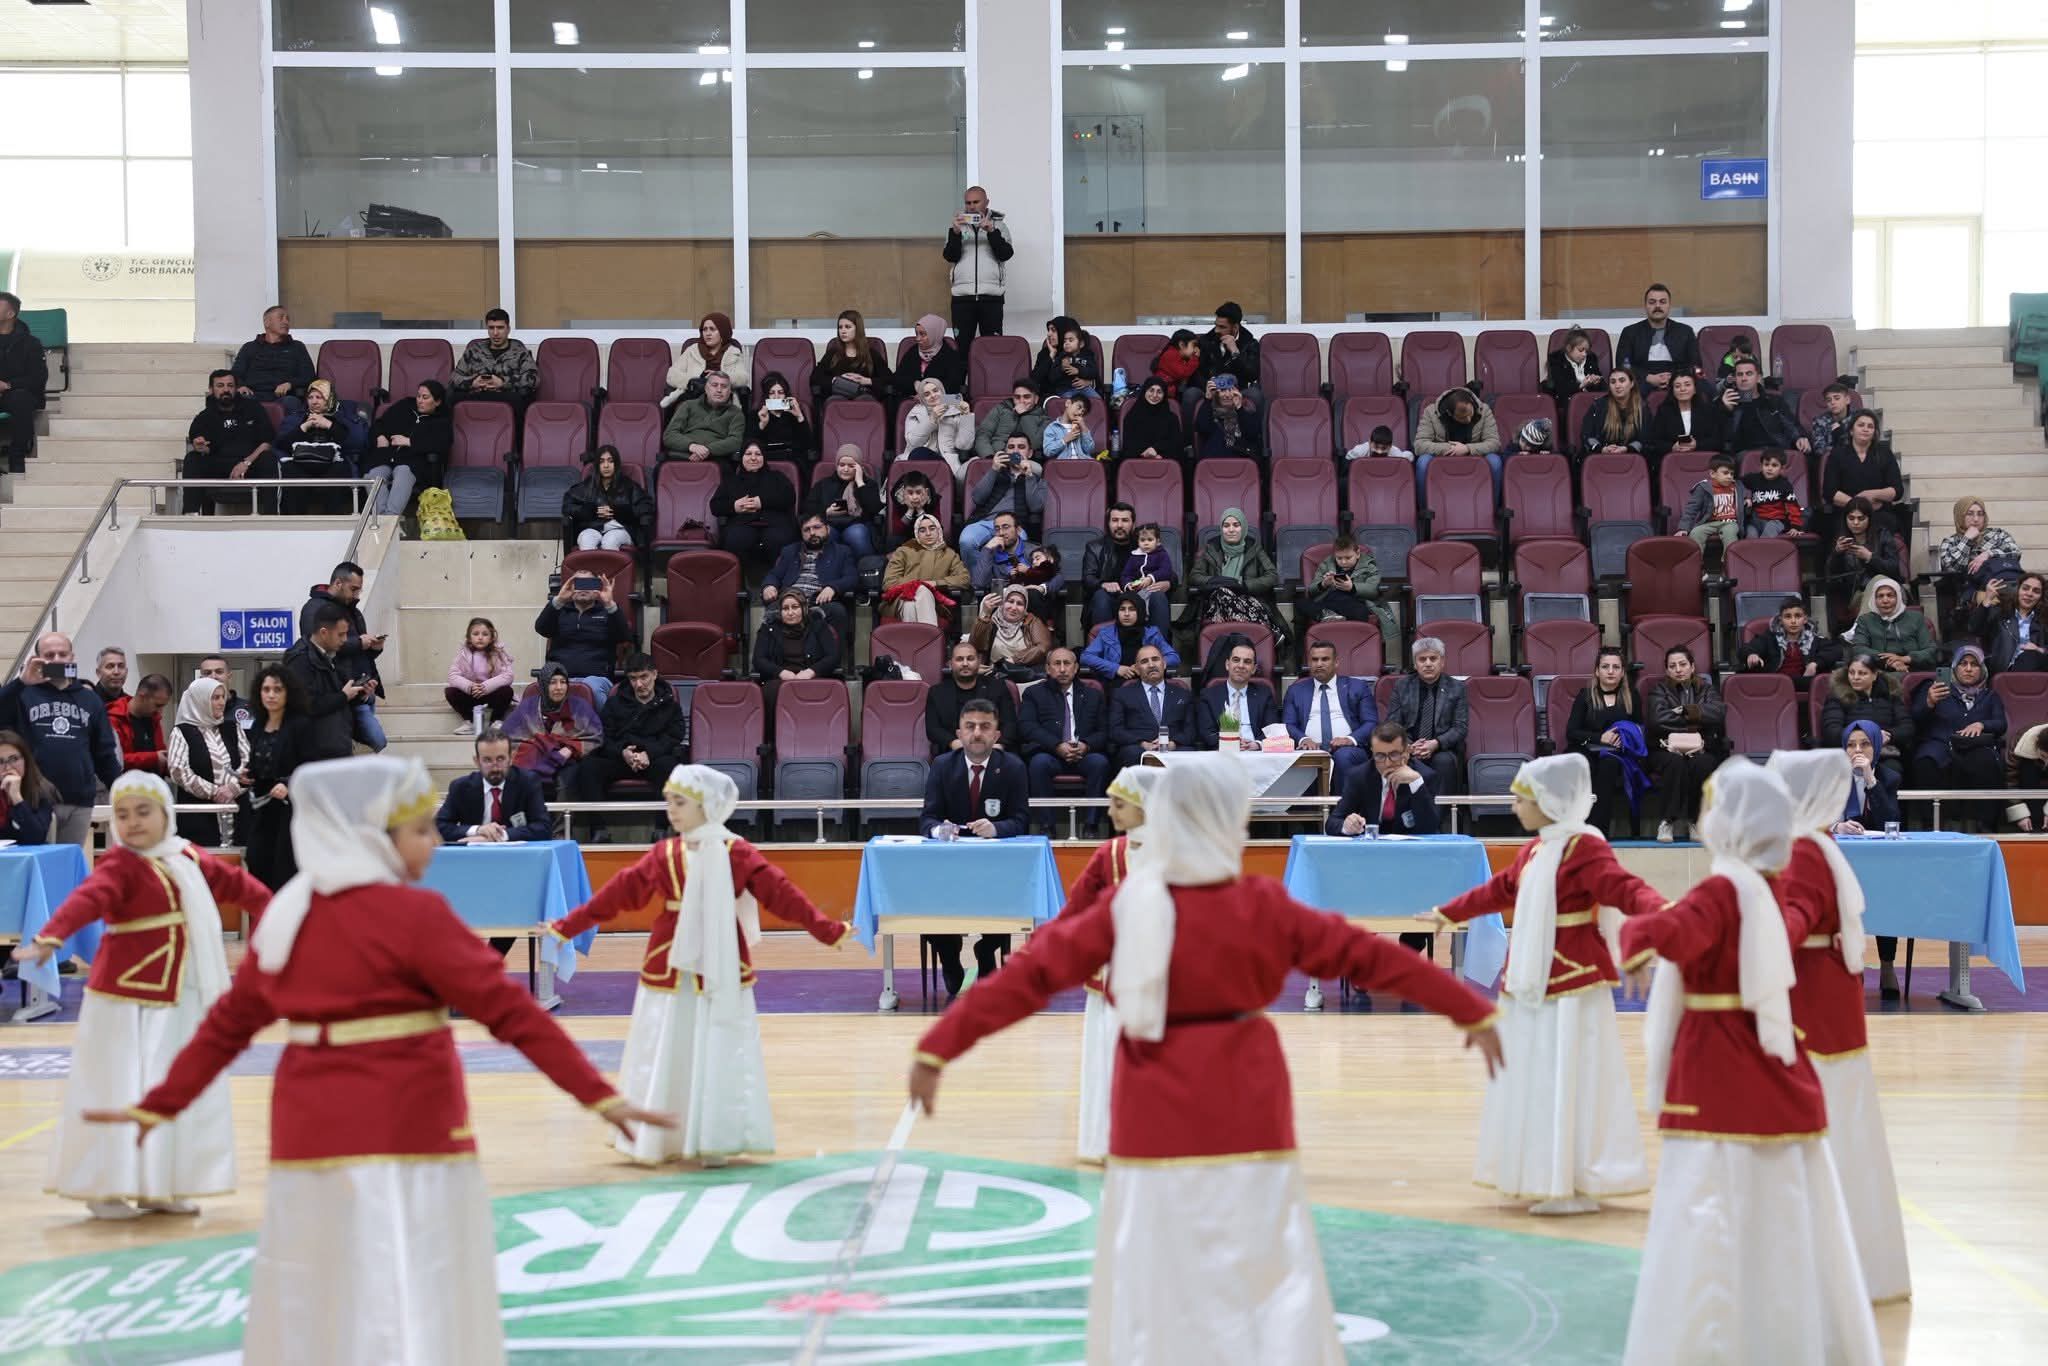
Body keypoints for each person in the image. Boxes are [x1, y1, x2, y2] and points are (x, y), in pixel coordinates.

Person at [908, 757, 1503, 1363]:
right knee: (1263, 1265)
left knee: (1157, 1266)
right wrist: (1470, 1010)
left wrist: (940, 1046)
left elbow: (1028, 978)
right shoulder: (1262, 904)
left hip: (1151, 1109)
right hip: (1249, 1106)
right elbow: (1374, 959)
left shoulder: (1125, 906)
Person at [82, 756, 668, 1363]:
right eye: (422, 829)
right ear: (370, 837)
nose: (436, 840)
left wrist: (159, 1107)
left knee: (319, 1285)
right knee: (420, 1281)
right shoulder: (418, 916)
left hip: (309, 1137)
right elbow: (515, 1017)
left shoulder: (287, 918)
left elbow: (223, 1031)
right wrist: (599, 1096)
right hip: (417, 1133)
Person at [1617, 760, 1883, 1366]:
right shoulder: (1768, 880)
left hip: (1718, 1062)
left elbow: (1679, 935)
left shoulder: (1724, 886)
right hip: (1773, 1058)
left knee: (1710, 1206)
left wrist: (1631, 941)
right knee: (1782, 1207)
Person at [561, 761, 852, 1162]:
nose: (672, 810)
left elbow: (782, 895)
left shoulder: (737, 852)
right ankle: (661, 1137)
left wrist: (826, 929)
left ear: (707, 805)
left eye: (680, 802)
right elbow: (615, 896)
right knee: (666, 1048)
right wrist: (567, 926)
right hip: (671, 967)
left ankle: (714, 1134)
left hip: (721, 964)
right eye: (668, 802)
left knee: (717, 1043)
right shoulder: (664, 854)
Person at [14, 771, 271, 1219]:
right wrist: (51, 937)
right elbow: (88, 899)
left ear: (165, 814)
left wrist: (286, 912)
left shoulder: (187, 855)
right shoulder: (119, 866)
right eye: (123, 815)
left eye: (143, 812)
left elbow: (240, 889)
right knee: (118, 1086)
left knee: (166, 1087)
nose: (132, 823)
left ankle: (161, 1185)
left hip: (178, 997)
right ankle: (106, 1188)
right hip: (123, 1001)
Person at [1430, 753, 1665, 1215]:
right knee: (1537, 1076)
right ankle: (1542, 1173)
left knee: (1568, 1075)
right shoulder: (1538, 848)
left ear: (1551, 800)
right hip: (1529, 979)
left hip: (1572, 982)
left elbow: (1625, 888)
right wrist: (1448, 912)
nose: (1515, 806)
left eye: (1523, 798)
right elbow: (1500, 890)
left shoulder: (1585, 847)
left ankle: (1571, 1181)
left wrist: (1664, 917)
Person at [1767, 750, 1913, 1307]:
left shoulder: (1804, 849)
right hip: (1830, 1006)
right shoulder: (1817, 844)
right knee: (1845, 1131)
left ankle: (1823, 1262)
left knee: (1824, 1128)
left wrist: (1731, 940)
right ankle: (1851, 1256)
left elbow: (1791, 924)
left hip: (1814, 1012)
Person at [1057, 764, 1158, 1161]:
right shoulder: (1109, 855)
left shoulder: (1181, 856)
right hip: (1112, 982)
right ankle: (1108, 1141)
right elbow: (1074, 913)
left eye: (1119, 804)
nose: (1111, 813)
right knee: (1107, 1062)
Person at [919, 699, 1031, 996]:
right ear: (959, 732)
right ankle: (949, 954)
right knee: (922, 897)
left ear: (997, 734)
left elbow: (1021, 820)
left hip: (994, 867)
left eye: (985, 727)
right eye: (970, 727)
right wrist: (938, 830)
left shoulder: (1013, 768)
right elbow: (927, 818)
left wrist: (997, 829)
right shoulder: (942, 766)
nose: (977, 733)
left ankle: (987, 950)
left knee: (1011, 896)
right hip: (947, 866)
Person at [0, 632, 123, 848]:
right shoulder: (22, 694)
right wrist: (20, 682)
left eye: (62, 654)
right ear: (37, 658)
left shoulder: (89, 699)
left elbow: (104, 752)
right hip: (36, 798)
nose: (56, 660)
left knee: (68, 864)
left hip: (79, 799)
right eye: (49, 655)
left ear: (72, 658)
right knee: (41, 862)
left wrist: (121, 789)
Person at [570, 655, 686, 806]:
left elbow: (673, 736)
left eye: (644, 677)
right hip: (621, 757)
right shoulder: (614, 703)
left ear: (655, 674)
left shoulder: (670, 705)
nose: (639, 684)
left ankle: (662, 827)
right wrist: (622, 752)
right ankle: (598, 827)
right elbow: (604, 736)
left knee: (672, 769)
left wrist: (648, 753)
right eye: (633, 679)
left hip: (655, 758)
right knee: (589, 768)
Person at [1909, 645, 2006, 823]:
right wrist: (1929, 702)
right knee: (1926, 761)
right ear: (1954, 667)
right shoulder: (1935, 688)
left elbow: (2001, 724)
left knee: (1986, 763)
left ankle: (1985, 826)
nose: (1968, 669)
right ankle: (1930, 825)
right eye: (1963, 664)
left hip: (1974, 745)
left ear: (1982, 669)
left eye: (1974, 664)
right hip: (1939, 743)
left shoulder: (1990, 696)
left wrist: (1982, 724)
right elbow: (1915, 717)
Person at [299, 560, 387, 753]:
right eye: (353, 588)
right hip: (342, 692)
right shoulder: (315, 608)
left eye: (359, 590)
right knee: (377, 741)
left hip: (362, 689)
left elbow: (357, 652)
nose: (356, 595)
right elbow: (316, 645)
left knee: (373, 743)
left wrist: (374, 647)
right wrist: (358, 643)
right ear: (338, 583)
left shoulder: (352, 611)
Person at [1019, 646, 1110, 829]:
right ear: (1047, 668)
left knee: (1100, 763)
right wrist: (1057, 745)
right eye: (1057, 664)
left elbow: (1105, 731)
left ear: (1076, 668)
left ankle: (1091, 825)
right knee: (1038, 764)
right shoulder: (1034, 694)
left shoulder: (1093, 695)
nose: (1062, 669)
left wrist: (1086, 745)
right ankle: (1047, 826)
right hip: (1050, 753)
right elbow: (1027, 727)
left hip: (1084, 753)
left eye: (1067, 663)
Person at [1565, 646, 1649, 838]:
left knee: (1609, 764)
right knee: (1584, 764)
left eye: (1616, 667)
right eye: (1605, 667)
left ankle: (1598, 831)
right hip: (1586, 747)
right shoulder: (1585, 696)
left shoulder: (1632, 697)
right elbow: (1571, 732)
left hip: (1617, 752)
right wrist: (1599, 737)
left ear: (1622, 672)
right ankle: (1578, 829)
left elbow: (1639, 729)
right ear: (1597, 671)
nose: (1610, 671)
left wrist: (1626, 740)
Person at [1646, 645, 1726, 841]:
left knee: (1703, 763)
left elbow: (1717, 714)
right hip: (1664, 747)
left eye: (1682, 664)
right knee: (1675, 762)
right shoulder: (1659, 690)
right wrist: (1696, 719)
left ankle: (1695, 821)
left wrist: (1682, 711)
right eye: (1672, 666)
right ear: (1667, 670)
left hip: (1702, 747)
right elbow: (1657, 720)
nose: (1678, 669)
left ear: (1692, 666)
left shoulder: (1706, 689)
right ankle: (1667, 822)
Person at [239, 664, 304, 891]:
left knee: (284, 870)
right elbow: (259, 764)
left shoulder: (300, 725)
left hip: (290, 808)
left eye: (277, 689)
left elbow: (311, 764)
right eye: (266, 689)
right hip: (262, 807)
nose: (271, 695)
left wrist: (288, 783)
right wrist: (246, 775)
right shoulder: (258, 724)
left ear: (288, 693)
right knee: (257, 863)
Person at [182, 368, 279, 515]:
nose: (226, 390)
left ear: (236, 388)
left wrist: (246, 463)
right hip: (219, 466)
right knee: (192, 458)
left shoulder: (253, 408)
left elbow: (267, 442)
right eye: (220, 386)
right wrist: (200, 447)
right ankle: (191, 515)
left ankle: (271, 516)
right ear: (211, 389)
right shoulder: (204, 417)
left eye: (230, 385)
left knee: (269, 459)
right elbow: (202, 446)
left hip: (250, 464)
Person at [166, 677, 247, 847]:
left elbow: (248, 761)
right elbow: (178, 770)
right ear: (199, 700)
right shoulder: (182, 732)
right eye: (214, 698)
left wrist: (233, 788)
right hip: (199, 816)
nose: (220, 703)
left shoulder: (232, 728)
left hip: (237, 812)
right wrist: (215, 792)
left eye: (222, 697)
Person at [436, 726, 552, 846]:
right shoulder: (460, 787)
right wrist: (477, 830)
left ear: (511, 758)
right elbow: (440, 827)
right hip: (473, 857)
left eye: (500, 759)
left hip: (516, 857)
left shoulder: (528, 782)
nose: (495, 767)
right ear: (477, 761)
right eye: (487, 760)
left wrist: (499, 836)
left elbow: (543, 827)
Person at [1284, 639, 1377, 787]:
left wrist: (1349, 739)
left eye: (1325, 659)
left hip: (1350, 749)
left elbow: (1371, 722)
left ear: (1336, 662)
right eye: (1315, 660)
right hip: (1309, 749)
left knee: (1343, 756)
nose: (1319, 664)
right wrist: (1303, 739)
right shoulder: (1296, 690)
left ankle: (1344, 809)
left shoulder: (1357, 687)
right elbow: (1289, 724)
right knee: (1301, 758)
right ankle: (1307, 809)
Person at [282, 605, 365, 763]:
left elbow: (335, 697)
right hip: (315, 755)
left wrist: (359, 694)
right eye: (341, 634)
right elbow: (307, 704)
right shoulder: (300, 660)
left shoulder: (329, 656)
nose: (345, 640)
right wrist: (343, 696)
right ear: (324, 633)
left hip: (336, 747)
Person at [1327, 720, 1437, 837]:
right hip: (1372, 849)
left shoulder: (1424, 776)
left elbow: (1431, 828)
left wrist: (1416, 783)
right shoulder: (1359, 776)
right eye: (1380, 755)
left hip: (1410, 850)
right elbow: (1332, 823)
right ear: (1372, 753)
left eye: (1394, 754)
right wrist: (1346, 826)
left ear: (1407, 752)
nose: (1387, 763)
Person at [1188, 509, 1285, 643]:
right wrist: (1218, 581)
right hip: (1217, 603)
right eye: (1226, 526)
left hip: (1248, 599)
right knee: (1221, 592)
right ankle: (1267, 632)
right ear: (1221, 529)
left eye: (1236, 525)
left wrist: (1244, 585)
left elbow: (1272, 575)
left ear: (1243, 527)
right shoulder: (1211, 548)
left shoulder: (1254, 548)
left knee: (1242, 599)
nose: (1231, 530)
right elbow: (1194, 576)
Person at [1388, 636, 1469, 794]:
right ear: (1415, 664)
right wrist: (1409, 746)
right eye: (1422, 659)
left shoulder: (1457, 688)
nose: (1428, 664)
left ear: (1442, 662)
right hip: (1410, 746)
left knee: (1443, 762)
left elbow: (1460, 727)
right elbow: (1393, 723)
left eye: (1433, 658)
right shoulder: (1402, 686)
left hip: (1442, 748)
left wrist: (1435, 743)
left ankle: (1439, 816)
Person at [763, 512, 858, 647]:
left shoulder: (842, 552)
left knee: (837, 611)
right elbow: (774, 575)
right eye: (807, 530)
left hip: (819, 603)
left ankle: (829, 662)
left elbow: (852, 578)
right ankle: (772, 664)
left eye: (817, 527)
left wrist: (833, 587)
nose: (812, 533)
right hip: (791, 600)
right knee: (773, 610)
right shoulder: (790, 551)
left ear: (827, 528)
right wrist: (769, 585)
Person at [275, 379, 370, 512]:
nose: (314, 401)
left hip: (333, 463)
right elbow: (281, 444)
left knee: (336, 473)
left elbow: (357, 443)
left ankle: (332, 525)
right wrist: (304, 427)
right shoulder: (297, 417)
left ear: (329, 398)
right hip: (301, 461)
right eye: (310, 397)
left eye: (319, 397)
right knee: (291, 471)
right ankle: (295, 525)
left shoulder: (342, 417)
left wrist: (328, 425)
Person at [504, 663, 602, 791]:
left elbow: (595, 737)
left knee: (569, 779)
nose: (559, 687)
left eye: (563, 682)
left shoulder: (579, 707)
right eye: (553, 682)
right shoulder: (528, 707)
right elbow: (507, 737)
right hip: (533, 758)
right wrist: (539, 746)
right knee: (517, 776)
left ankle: (564, 811)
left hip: (570, 760)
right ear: (543, 685)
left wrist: (572, 748)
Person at [536, 571, 630, 702]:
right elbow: (541, 629)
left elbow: (623, 636)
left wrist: (609, 604)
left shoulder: (608, 612)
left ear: (597, 588)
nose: (584, 589)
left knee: (590, 687)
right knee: (542, 689)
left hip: (596, 677)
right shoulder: (559, 611)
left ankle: (601, 723)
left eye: (589, 584)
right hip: (560, 676)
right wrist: (559, 600)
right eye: (579, 584)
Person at [1820, 652, 1913, 782]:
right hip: (1851, 754)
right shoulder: (1837, 696)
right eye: (1852, 673)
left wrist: (1889, 735)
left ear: (1874, 675)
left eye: (1862, 673)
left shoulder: (1890, 695)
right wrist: (1863, 738)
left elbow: (1907, 727)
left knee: (1892, 771)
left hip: (1884, 754)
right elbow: (1831, 731)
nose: (1855, 677)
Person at [366, 379, 453, 516]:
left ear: (437, 402)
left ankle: (389, 520)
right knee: (373, 476)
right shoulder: (405, 405)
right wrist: (380, 436)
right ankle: (386, 522)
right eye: (418, 396)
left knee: (402, 474)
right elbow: (379, 423)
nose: (420, 400)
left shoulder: (441, 419)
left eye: (425, 397)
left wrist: (410, 441)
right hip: (385, 456)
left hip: (412, 461)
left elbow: (442, 444)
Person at [751, 591, 842, 715]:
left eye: (795, 607)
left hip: (812, 677)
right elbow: (759, 659)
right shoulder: (768, 628)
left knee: (822, 690)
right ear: (779, 612)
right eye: (785, 608)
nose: (790, 612)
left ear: (803, 608)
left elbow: (833, 656)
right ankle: (772, 734)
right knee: (770, 692)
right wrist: (781, 673)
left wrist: (810, 672)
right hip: (779, 679)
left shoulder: (818, 625)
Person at [945, 185, 1014, 348]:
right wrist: (955, 233)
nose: (972, 206)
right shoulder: (958, 225)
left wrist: (991, 230)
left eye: (976, 202)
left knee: (992, 347)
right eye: (968, 203)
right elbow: (950, 256)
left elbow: (1006, 254)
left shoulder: (999, 225)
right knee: (961, 348)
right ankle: (962, 375)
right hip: (962, 297)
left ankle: (992, 375)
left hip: (991, 297)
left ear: (986, 202)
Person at [1824, 497, 1907, 630]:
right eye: (1851, 518)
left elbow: (1894, 569)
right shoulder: (1841, 540)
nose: (1855, 523)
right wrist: (1837, 554)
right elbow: (1831, 576)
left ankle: (1857, 630)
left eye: (1861, 518)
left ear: (1869, 519)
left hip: (1889, 591)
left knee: (1878, 580)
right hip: (1858, 595)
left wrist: (1870, 557)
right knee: (1874, 587)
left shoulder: (1882, 535)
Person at [962, 433, 1046, 563]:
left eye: (1021, 447)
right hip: (987, 522)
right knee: (966, 540)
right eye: (1011, 447)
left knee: (1021, 544)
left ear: (1029, 453)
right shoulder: (996, 473)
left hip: (1014, 526)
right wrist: (994, 469)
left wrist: (1028, 475)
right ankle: (977, 578)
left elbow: (1036, 507)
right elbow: (977, 498)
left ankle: (1008, 579)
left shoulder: (1036, 480)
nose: (1016, 451)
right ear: (1006, 452)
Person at [713, 440, 799, 567]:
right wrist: (734, 507)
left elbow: (789, 497)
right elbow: (715, 506)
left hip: (775, 524)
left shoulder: (777, 477)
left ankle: (778, 581)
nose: (753, 458)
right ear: (741, 458)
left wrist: (762, 502)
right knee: (735, 539)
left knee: (779, 539)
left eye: (758, 454)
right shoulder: (731, 481)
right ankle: (740, 583)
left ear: (764, 458)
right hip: (742, 524)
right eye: (748, 454)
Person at [925, 638, 1019, 752]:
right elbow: (932, 729)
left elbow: (1010, 723)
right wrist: (953, 743)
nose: (965, 664)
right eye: (959, 659)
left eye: (970, 659)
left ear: (978, 661)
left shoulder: (998, 687)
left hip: (994, 750)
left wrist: (1000, 745)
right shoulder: (937, 692)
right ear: (950, 664)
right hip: (953, 751)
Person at [1109, 643, 1193, 767]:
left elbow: (1191, 730)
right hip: (1138, 749)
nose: (1151, 665)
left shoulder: (1183, 694)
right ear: (1137, 669)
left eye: (1155, 659)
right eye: (1144, 661)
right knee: (1131, 753)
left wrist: (1172, 744)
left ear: (1164, 664)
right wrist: (1143, 743)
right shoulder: (1122, 694)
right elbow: (1116, 730)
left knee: (1190, 754)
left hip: (1174, 747)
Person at [880, 513, 970, 628]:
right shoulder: (904, 551)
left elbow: (964, 579)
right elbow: (889, 583)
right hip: (900, 600)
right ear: (917, 534)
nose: (928, 533)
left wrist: (935, 583)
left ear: (939, 531)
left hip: (935, 604)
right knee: (919, 591)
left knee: (911, 604)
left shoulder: (949, 554)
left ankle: (914, 645)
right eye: (922, 530)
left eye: (932, 529)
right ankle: (932, 642)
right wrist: (916, 584)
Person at [1821, 411, 1904, 534]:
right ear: (1851, 431)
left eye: (1870, 426)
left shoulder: (1884, 453)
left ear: (1874, 433)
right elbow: (1829, 492)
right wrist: (1858, 507)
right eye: (1861, 425)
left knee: (1887, 525)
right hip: (1846, 513)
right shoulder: (1838, 454)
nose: (1866, 429)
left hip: (1879, 513)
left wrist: (1872, 494)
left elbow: (1897, 490)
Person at [563, 444, 654, 553]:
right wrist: (591, 511)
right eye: (602, 462)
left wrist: (618, 511)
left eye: (610, 461)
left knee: (610, 540)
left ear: (616, 464)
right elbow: (567, 506)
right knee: (586, 540)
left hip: (620, 529)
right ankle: (590, 570)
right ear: (597, 465)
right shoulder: (587, 486)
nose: (606, 466)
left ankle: (607, 571)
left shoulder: (628, 485)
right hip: (591, 528)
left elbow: (647, 506)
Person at [1305, 536, 1399, 641]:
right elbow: (1312, 590)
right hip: (1329, 599)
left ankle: (1326, 614)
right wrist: (1324, 584)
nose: (1343, 562)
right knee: (1301, 602)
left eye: (1348, 558)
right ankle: (1328, 614)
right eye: (1339, 558)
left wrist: (1352, 587)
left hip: (1356, 601)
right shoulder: (1327, 564)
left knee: (1358, 611)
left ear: (1358, 553)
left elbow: (1373, 590)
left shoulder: (1369, 566)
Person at [1194, 638, 1279, 751]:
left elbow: (1272, 729)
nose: (1241, 665)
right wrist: (1231, 743)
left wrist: (1257, 744)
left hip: (1257, 755)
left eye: (1247, 662)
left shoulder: (1264, 694)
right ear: (1227, 664)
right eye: (1236, 660)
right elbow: (1207, 733)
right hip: (1223, 754)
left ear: (1254, 669)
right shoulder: (1209, 695)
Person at [1613, 282, 1700, 391]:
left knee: (1704, 387)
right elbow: (1623, 365)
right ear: (1645, 306)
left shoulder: (1685, 331)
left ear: (1669, 305)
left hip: (1678, 377)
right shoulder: (1630, 332)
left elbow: (1695, 363)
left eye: (1662, 302)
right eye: (1652, 302)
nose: (1657, 306)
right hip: (1642, 378)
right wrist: (1647, 377)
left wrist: (1675, 377)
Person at [1719, 357, 1809, 460]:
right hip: (1746, 455)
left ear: (1758, 378)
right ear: (1735, 378)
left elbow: (1791, 424)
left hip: (1776, 451)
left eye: (1749, 374)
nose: (1744, 378)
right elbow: (1725, 439)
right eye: (1740, 374)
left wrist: (1800, 437)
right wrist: (1726, 411)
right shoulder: (1728, 401)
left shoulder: (1773, 400)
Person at [1080, 592, 1179, 685]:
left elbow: (1173, 657)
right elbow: (1086, 657)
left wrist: (1148, 665)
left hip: (1147, 681)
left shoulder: (1152, 633)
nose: (1126, 614)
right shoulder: (1106, 633)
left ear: (1140, 612)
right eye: (1122, 609)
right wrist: (1116, 668)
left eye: (1132, 609)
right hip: (1117, 683)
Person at [805, 443, 883, 560]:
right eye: (842, 465)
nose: (845, 469)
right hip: (829, 524)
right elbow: (808, 506)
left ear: (859, 467)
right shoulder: (824, 484)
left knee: (857, 534)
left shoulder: (868, 484)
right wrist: (827, 511)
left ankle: (865, 571)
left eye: (851, 466)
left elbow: (874, 508)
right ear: (837, 466)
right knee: (824, 533)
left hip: (857, 524)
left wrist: (860, 482)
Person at [1413, 386, 1502, 489]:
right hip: (1442, 457)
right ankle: (1424, 504)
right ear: (1450, 414)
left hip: (1475, 456)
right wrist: (1452, 449)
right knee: (1423, 462)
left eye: (1470, 413)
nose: (1468, 419)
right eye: (1463, 418)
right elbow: (1419, 445)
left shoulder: (1484, 410)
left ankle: (1493, 504)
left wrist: (1467, 449)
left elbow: (1494, 443)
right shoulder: (1431, 412)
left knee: (1494, 461)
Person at [451, 307, 537, 412]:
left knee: (519, 400)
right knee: (451, 397)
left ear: (508, 329)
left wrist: (503, 382)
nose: (495, 333)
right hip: (477, 396)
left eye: (500, 328)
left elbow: (533, 379)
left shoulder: (520, 351)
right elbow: (454, 377)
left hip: (506, 398)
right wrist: (472, 382)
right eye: (491, 328)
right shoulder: (474, 350)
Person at [1844, 575, 1935, 674]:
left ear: (1899, 597)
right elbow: (1859, 649)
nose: (1885, 600)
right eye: (1880, 596)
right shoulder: (1865, 621)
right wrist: (1889, 661)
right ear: (1874, 600)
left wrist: (1905, 659)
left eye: (1890, 595)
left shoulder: (1916, 618)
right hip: (1879, 672)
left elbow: (1931, 650)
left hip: (1913, 671)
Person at [230, 305, 314, 410]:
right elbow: (235, 374)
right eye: (281, 317)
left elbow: (309, 376)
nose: (286, 322)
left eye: (287, 319)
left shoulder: (297, 347)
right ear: (267, 323)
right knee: (239, 400)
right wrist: (241, 386)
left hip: (284, 396)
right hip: (253, 395)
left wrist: (290, 384)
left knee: (292, 403)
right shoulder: (250, 347)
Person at [1741, 596, 1840, 686]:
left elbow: (1836, 650)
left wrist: (1815, 664)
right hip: (1775, 686)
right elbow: (1746, 648)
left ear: (1805, 619)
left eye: (1798, 616)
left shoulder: (1814, 639)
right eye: (1788, 616)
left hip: (1804, 685)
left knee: (1824, 681)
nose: (1793, 621)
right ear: (1780, 620)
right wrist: (1751, 654)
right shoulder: (1770, 638)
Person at [0, 290, 49, 466]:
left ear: (10, 313)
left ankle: (17, 457)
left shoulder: (31, 343)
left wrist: (7, 385)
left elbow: (38, 378)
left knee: (22, 399)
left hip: (15, 393)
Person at [811, 308, 891, 414]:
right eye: (840, 327)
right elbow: (815, 377)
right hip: (837, 397)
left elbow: (889, 378)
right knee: (835, 401)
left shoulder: (871, 353)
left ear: (857, 329)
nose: (843, 331)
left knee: (866, 401)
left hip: (865, 397)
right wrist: (835, 380)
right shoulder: (833, 353)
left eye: (848, 327)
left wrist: (866, 381)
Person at [1936, 495, 2023, 591]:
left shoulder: (1997, 534)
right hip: (1971, 593)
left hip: (2005, 585)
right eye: (1970, 514)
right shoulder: (1950, 542)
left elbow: (2015, 552)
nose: (1976, 519)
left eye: (1980, 514)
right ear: (1959, 516)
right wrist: (1966, 540)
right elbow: (1952, 568)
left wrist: (1988, 554)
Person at [446, 617, 516, 732]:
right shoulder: (463, 654)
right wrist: (470, 686)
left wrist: (486, 687)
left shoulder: (498, 653)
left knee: (507, 691)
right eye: (475, 634)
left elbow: (508, 675)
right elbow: (452, 676)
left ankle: (495, 721)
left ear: (491, 637)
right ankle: (470, 722)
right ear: (469, 637)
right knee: (450, 691)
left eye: (485, 634)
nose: (480, 637)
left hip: (491, 695)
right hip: (472, 694)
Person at [661, 369, 745, 465]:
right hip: (683, 455)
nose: (719, 390)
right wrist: (692, 446)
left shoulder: (736, 413)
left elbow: (735, 441)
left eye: (724, 386)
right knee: (661, 470)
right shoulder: (688, 406)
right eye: (714, 385)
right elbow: (669, 435)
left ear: (730, 391)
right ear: (706, 388)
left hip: (716, 458)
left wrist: (708, 450)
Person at [661, 312, 745, 407]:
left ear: (723, 332)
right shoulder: (692, 350)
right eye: (704, 329)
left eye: (712, 329)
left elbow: (743, 378)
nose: (708, 333)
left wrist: (717, 378)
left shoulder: (733, 352)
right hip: (692, 397)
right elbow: (672, 375)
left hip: (722, 399)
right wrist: (693, 382)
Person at [1972, 570, 2048, 675]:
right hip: (2003, 674)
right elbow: (1975, 629)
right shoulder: (1999, 614)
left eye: (2036, 591)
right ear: (2017, 590)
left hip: (2035, 674)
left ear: (2041, 597)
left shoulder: (2044, 621)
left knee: (2029, 657)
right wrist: (1988, 599)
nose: (2029, 594)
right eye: (2025, 588)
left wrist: (2040, 650)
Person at [970, 584, 1054, 676]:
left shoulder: (1031, 621)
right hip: (994, 677)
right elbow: (975, 646)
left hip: (1024, 677)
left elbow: (1043, 647)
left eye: (1020, 604)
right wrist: (985, 615)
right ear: (1003, 602)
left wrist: (1014, 660)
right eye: (1010, 601)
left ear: (1025, 608)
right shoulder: (991, 622)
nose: (1014, 608)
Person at [1081, 503, 1140, 627]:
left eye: (1125, 520)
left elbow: (1169, 573)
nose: (1119, 525)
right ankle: (1104, 645)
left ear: (1133, 524)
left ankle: (1158, 645)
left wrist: (1167, 582)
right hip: (1108, 598)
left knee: (1158, 596)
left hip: (1138, 597)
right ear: (1108, 524)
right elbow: (1088, 578)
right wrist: (1103, 584)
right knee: (1101, 595)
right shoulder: (1095, 547)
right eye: (1114, 520)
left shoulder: (1143, 546)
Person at [1644, 370, 1726, 459]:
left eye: (1687, 385)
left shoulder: (1708, 410)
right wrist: (1672, 447)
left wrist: (1697, 445)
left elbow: (1718, 441)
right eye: (1677, 386)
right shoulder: (1664, 411)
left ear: (1695, 389)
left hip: (1703, 460)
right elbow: (1654, 442)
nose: (1682, 389)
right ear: (1673, 391)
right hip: (1674, 461)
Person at [903, 375, 977, 474]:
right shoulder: (916, 412)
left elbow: (964, 445)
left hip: (948, 463)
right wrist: (932, 419)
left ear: (942, 391)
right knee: (919, 452)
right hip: (919, 460)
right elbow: (913, 442)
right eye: (927, 394)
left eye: (935, 390)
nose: (933, 395)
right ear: (922, 398)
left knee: (976, 463)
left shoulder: (955, 409)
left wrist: (966, 415)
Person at [1678, 453, 1746, 556]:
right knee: (1696, 532)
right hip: (1709, 522)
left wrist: (1748, 498)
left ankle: (1729, 563)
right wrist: (1683, 528)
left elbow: (1746, 491)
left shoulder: (1737, 486)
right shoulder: (1703, 488)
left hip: (1730, 522)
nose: (1729, 477)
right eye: (1725, 473)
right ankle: (1697, 563)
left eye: (1732, 474)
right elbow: (1691, 509)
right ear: (1713, 474)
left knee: (1730, 533)